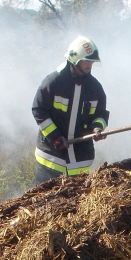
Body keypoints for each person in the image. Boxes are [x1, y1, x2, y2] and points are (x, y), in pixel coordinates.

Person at [32, 35, 109, 185]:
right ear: (75, 59)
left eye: (92, 62)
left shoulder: (95, 88)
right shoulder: (53, 82)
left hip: (80, 161)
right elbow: (39, 110)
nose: (90, 65)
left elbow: (101, 114)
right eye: (87, 61)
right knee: (41, 203)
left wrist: (98, 127)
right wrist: (55, 137)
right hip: (51, 159)